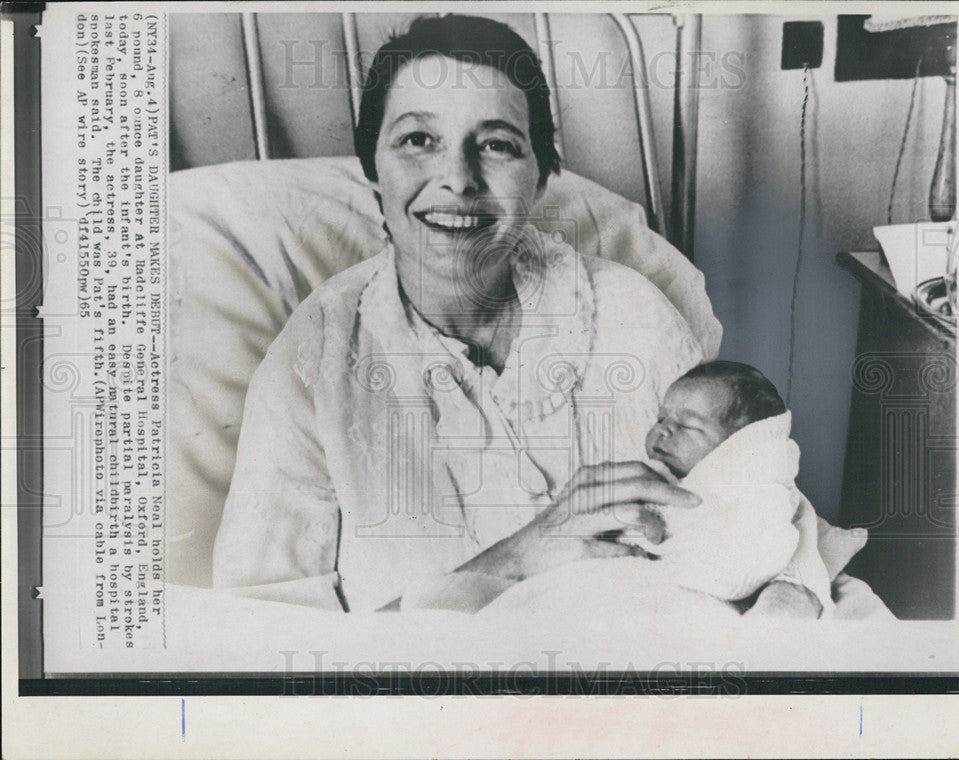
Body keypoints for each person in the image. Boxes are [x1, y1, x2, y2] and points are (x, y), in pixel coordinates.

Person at [212, 15, 822, 617]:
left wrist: (787, 604)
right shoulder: (312, 364)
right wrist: (519, 556)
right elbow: (262, 648)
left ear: (540, 179)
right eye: (417, 140)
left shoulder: (634, 316)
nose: (456, 179)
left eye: (498, 145)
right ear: (374, 172)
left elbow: (758, 503)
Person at [471, 361, 835, 617]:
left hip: (672, 594)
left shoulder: (753, 493)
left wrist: (669, 562)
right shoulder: (651, 474)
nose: (662, 431)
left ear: (738, 446)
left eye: (688, 426)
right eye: (661, 418)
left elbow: (743, 566)